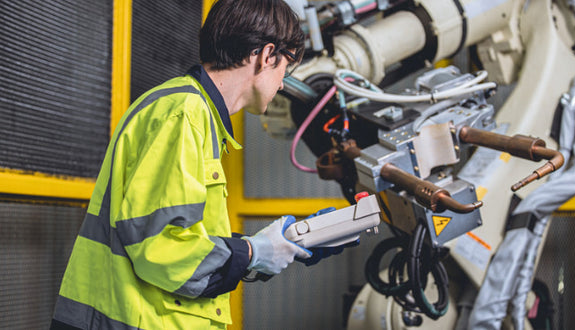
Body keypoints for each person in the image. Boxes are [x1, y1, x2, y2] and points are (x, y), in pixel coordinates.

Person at [50, 0, 352, 329]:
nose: (282, 84)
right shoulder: (183, 114)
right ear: (266, 55)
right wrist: (251, 252)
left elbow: (183, 239)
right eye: (286, 67)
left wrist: (282, 247)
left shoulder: (196, 116)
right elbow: (161, 248)